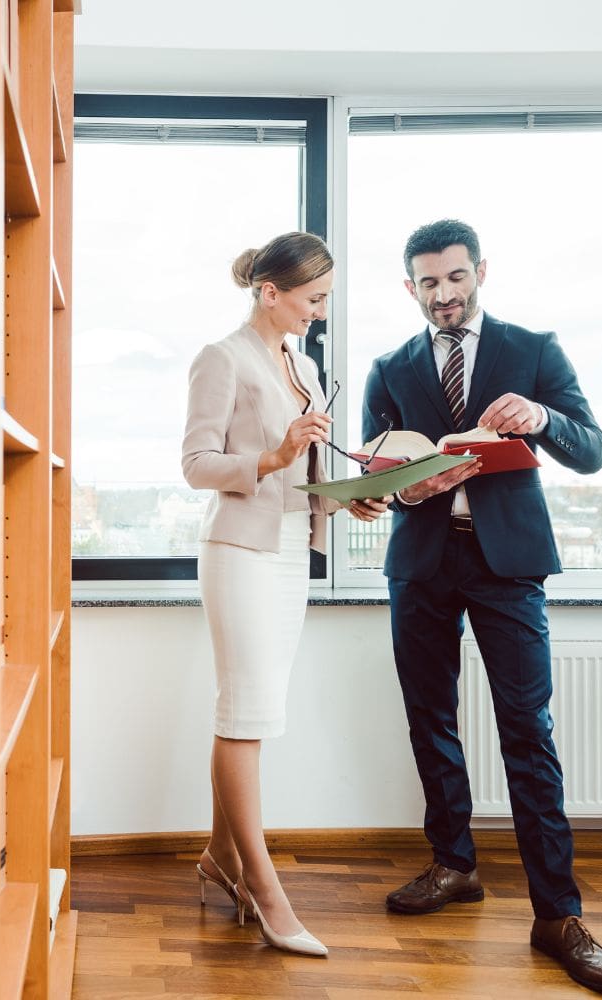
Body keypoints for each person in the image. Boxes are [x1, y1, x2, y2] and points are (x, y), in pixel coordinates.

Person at [362, 218, 602, 996]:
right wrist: (404, 489)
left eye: (455, 277)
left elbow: (593, 449)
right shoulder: (388, 368)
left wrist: (541, 418)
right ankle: (454, 864)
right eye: (428, 282)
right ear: (410, 287)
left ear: (480, 272)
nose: (443, 294)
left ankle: (558, 916)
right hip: (421, 564)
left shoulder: (533, 349)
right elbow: (375, 475)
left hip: (508, 565)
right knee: (429, 718)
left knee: (526, 731)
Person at [182, 231, 390, 958]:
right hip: (239, 552)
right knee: (243, 714)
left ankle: (220, 857)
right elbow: (196, 464)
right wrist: (272, 455)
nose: (320, 312)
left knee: (258, 711)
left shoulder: (304, 365)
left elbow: (306, 475)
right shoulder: (222, 358)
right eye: (313, 298)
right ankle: (266, 891)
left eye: (325, 299)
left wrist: (350, 498)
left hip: (291, 551)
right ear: (270, 293)